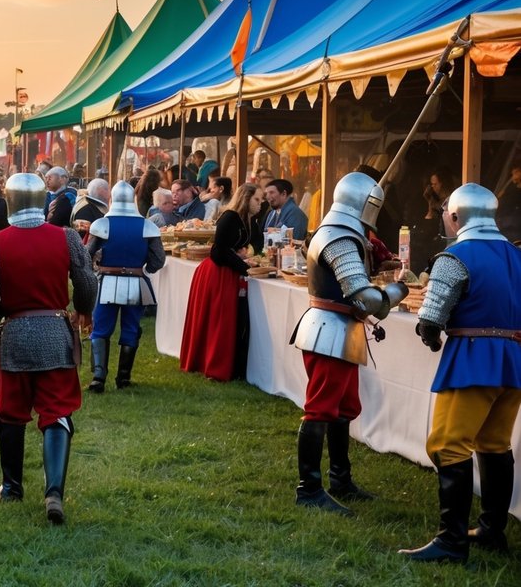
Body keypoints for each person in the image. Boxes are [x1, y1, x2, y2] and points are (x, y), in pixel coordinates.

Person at [399, 184, 521, 564]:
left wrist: (431, 336)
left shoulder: (456, 256)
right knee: (494, 443)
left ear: (455, 217)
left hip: (473, 359)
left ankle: (452, 542)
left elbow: (430, 319)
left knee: (447, 445)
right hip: (514, 361)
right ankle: (491, 530)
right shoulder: (517, 255)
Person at [0, 173, 98, 525]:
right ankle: (53, 493)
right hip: (56, 333)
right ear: (42, 201)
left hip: (15, 336)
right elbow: (87, 282)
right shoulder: (67, 237)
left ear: (9, 200)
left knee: (10, 412)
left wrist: (1, 310)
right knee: (56, 412)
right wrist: (83, 308)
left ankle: (12, 487)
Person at [290, 172, 408, 516]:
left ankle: (340, 479)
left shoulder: (341, 231)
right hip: (329, 329)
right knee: (321, 408)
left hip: (340, 329)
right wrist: (398, 290)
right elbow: (366, 299)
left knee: (343, 408)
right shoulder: (339, 236)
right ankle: (309, 489)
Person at [86, 181, 165, 392]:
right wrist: (143, 266)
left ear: (112, 198)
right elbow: (158, 260)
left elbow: (86, 255)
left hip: (106, 282)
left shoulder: (102, 224)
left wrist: (97, 264)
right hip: (136, 283)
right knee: (131, 328)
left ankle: (98, 378)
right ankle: (123, 378)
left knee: (101, 328)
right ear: (133, 199)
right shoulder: (148, 226)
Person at [179, 184, 262, 382]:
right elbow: (219, 251)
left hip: (230, 271)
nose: (260, 204)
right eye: (257, 199)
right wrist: (243, 265)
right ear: (246, 199)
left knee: (225, 321)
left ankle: (228, 365)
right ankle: (214, 365)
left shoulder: (250, 220)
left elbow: (257, 243)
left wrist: (246, 254)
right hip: (218, 273)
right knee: (219, 321)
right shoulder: (230, 217)